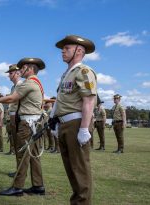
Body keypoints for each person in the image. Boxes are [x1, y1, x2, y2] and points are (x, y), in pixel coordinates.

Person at [0, 57, 46, 196]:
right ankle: (38, 185)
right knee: (34, 155)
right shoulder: (37, 82)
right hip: (34, 123)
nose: (20, 71)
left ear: (30, 68)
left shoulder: (28, 82)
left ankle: (17, 187)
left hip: (27, 124)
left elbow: (12, 98)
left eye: (23, 68)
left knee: (22, 155)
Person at [51, 34, 97, 204]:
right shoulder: (66, 74)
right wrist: (53, 120)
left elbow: (89, 100)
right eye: (63, 48)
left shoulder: (84, 71)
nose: (62, 51)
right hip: (65, 124)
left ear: (79, 51)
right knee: (71, 169)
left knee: (80, 169)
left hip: (76, 123)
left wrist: (84, 128)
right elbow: (60, 99)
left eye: (67, 48)